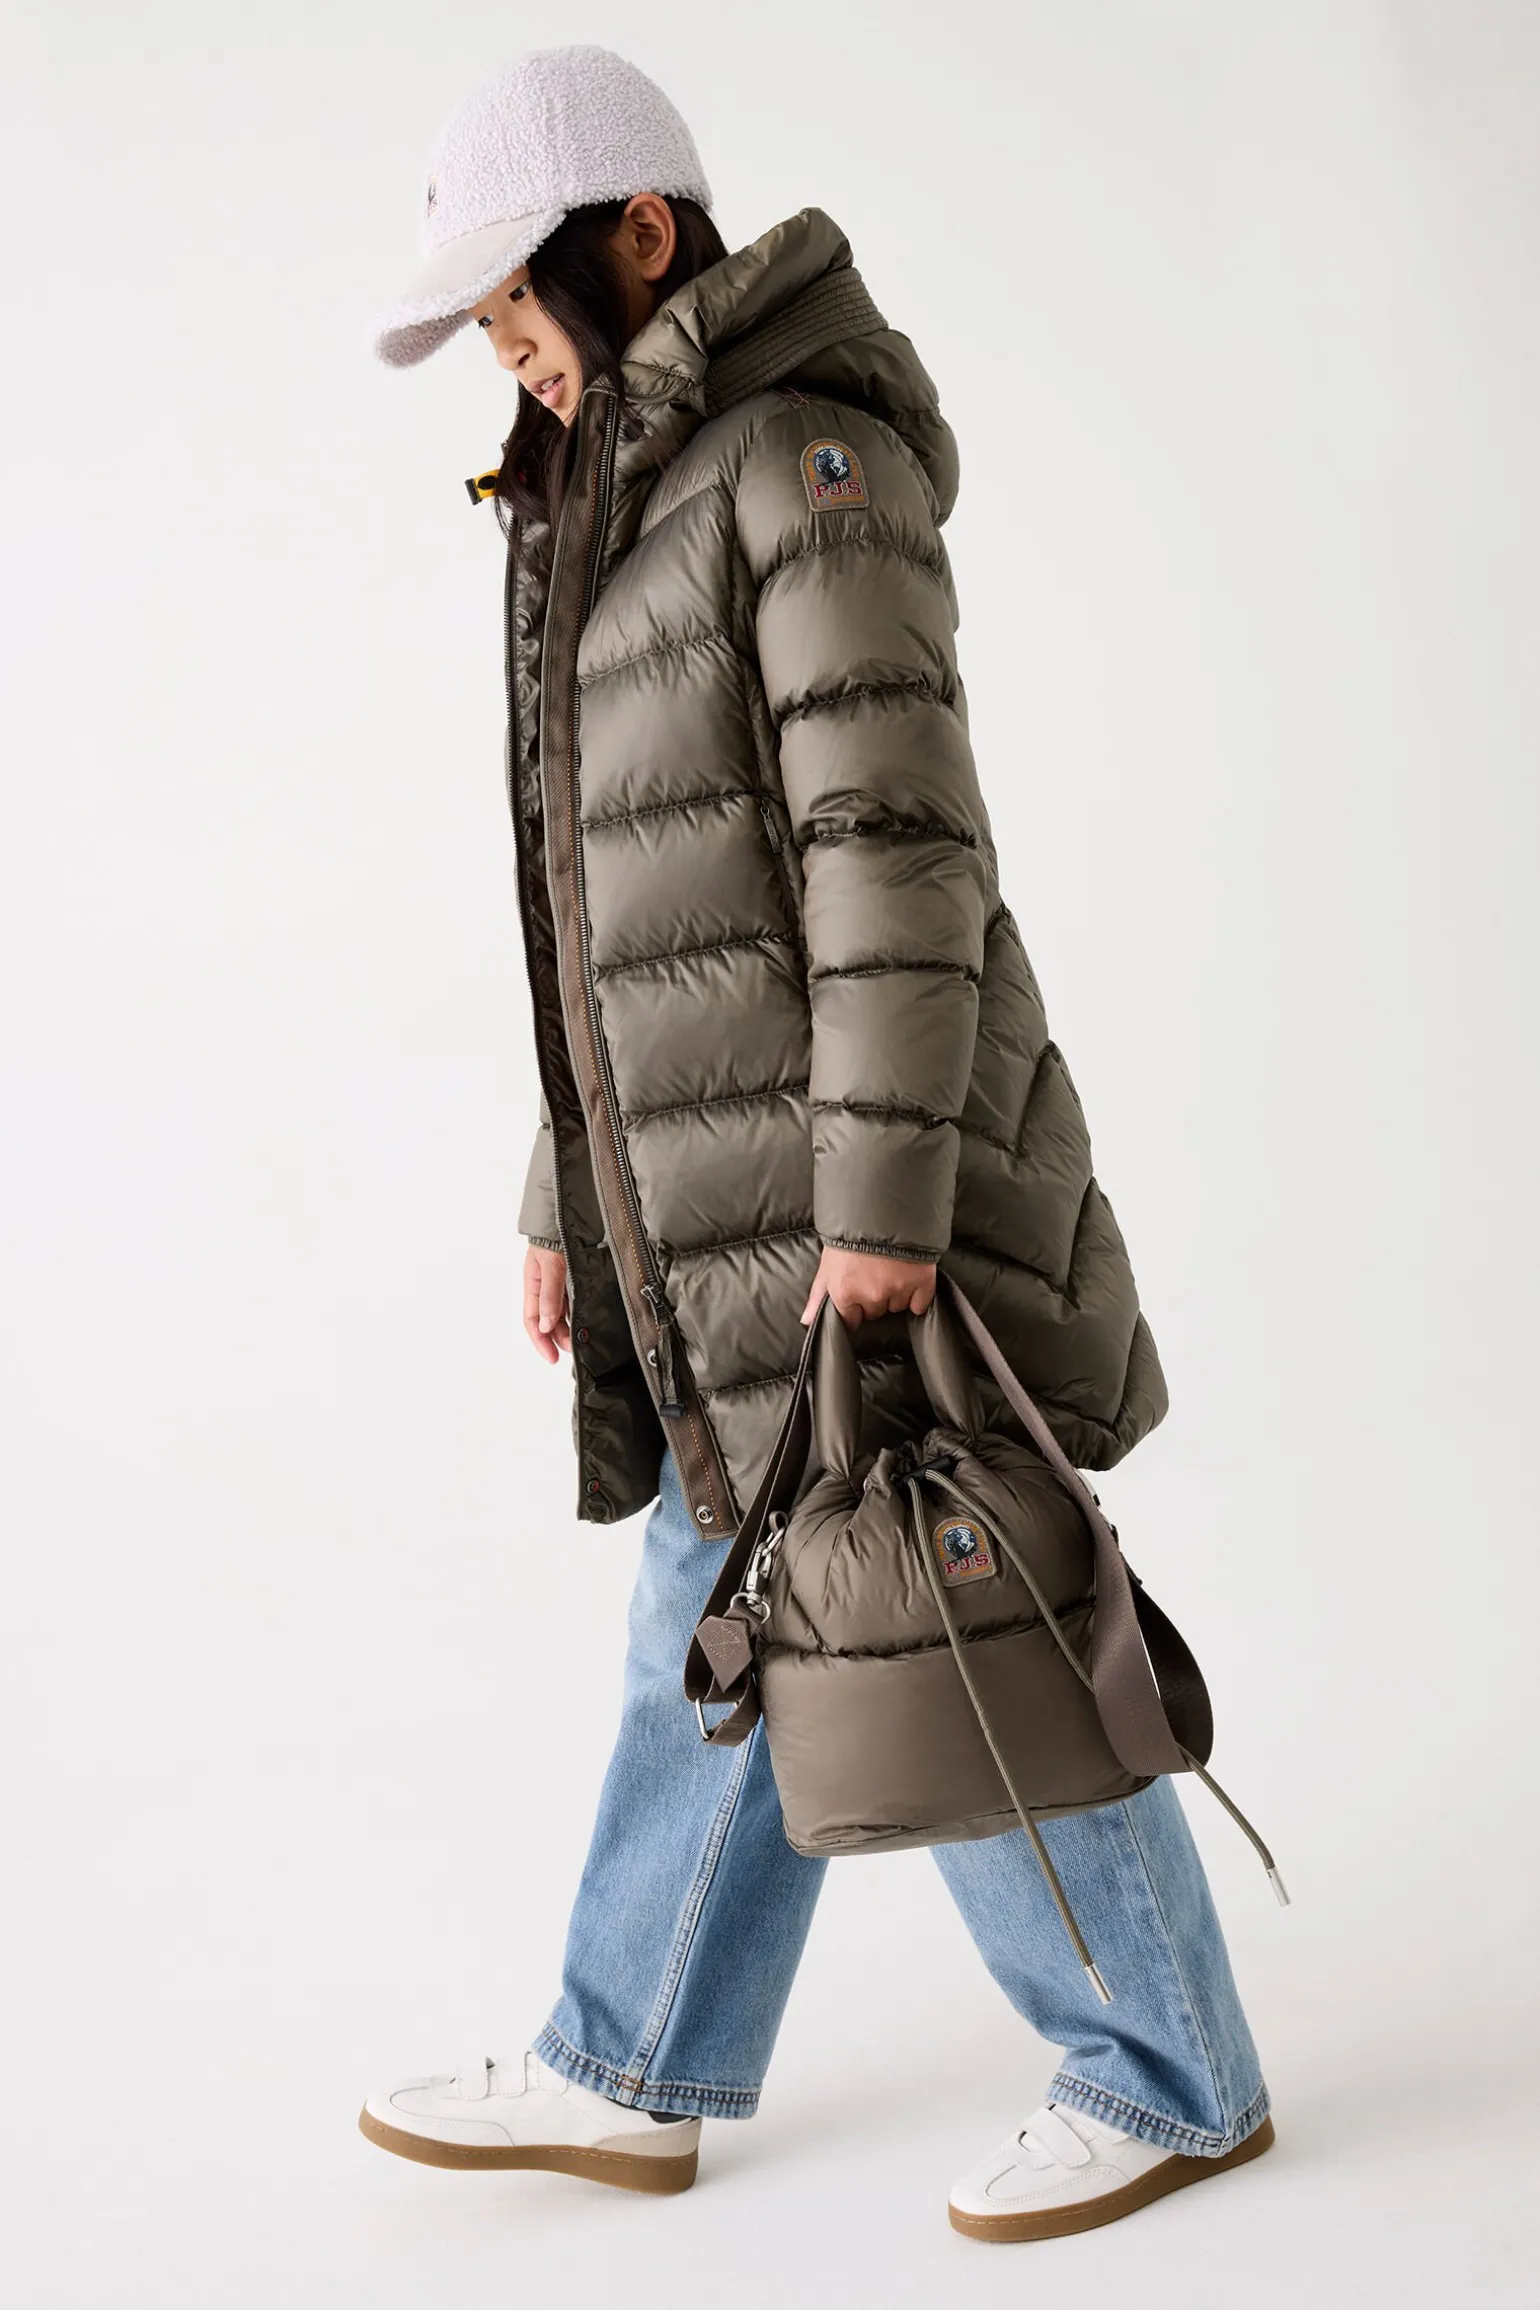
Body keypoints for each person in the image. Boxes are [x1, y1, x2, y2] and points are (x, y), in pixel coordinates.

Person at [358, 42, 1273, 2242]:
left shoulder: (797, 466)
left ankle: (1172, 2075)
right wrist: (566, 1186)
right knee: (729, 1594)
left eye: (514, 304)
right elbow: (599, 908)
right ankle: (629, 2060)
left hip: (852, 1192)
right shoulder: (611, 498)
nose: (506, 356)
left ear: (640, 234)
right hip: (708, 1202)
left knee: (944, 1612)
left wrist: (877, 1209)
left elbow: (894, 854)